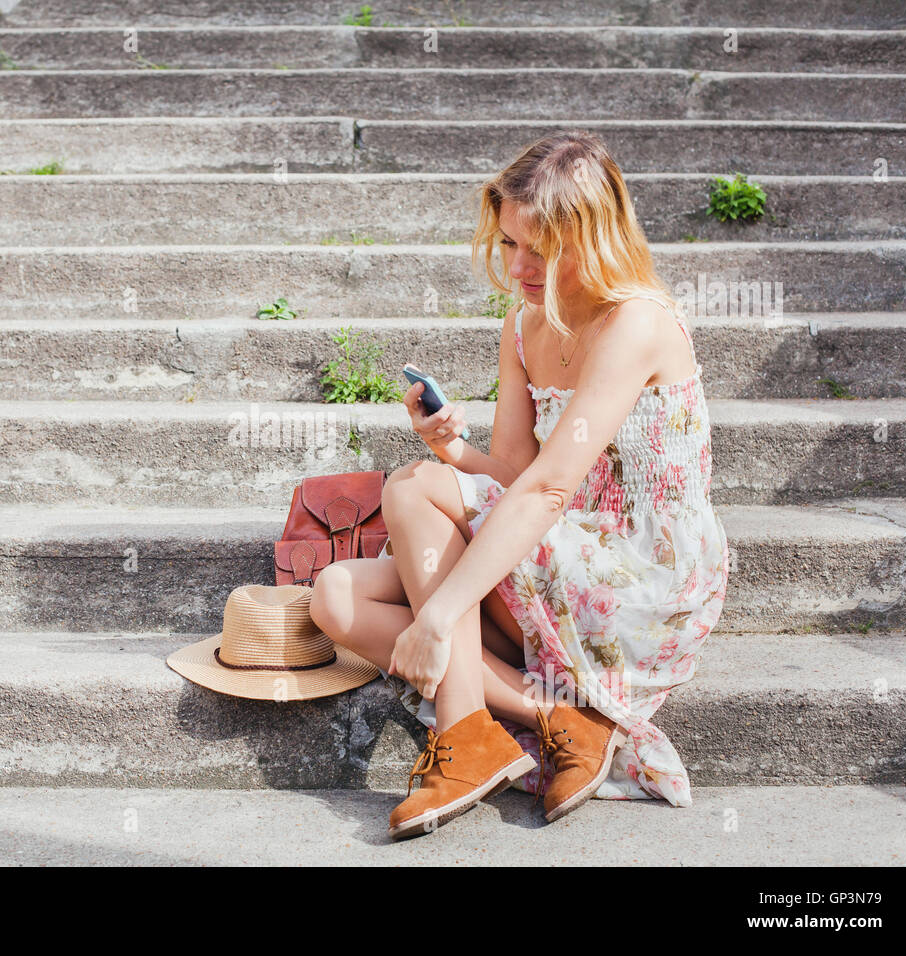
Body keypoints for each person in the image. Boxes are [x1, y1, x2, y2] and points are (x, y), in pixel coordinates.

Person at [308, 130, 730, 840]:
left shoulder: (637, 323)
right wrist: (453, 447)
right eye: (509, 244)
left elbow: (546, 491)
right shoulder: (523, 325)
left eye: (541, 249)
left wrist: (440, 613)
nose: (520, 267)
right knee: (335, 597)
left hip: (642, 577)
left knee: (413, 489)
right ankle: (560, 716)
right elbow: (511, 475)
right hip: (561, 551)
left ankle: (465, 732)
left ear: (593, 239)